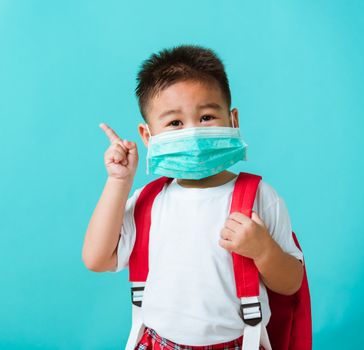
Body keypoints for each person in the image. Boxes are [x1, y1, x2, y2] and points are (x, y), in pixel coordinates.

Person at [82, 44, 304, 349]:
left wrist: (264, 251)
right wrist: (119, 182)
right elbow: (96, 259)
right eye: (174, 123)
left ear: (232, 120)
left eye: (207, 116)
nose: (194, 134)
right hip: (157, 342)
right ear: (148, 137)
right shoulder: (149, 201)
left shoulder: (260, 197)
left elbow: (292, 283)